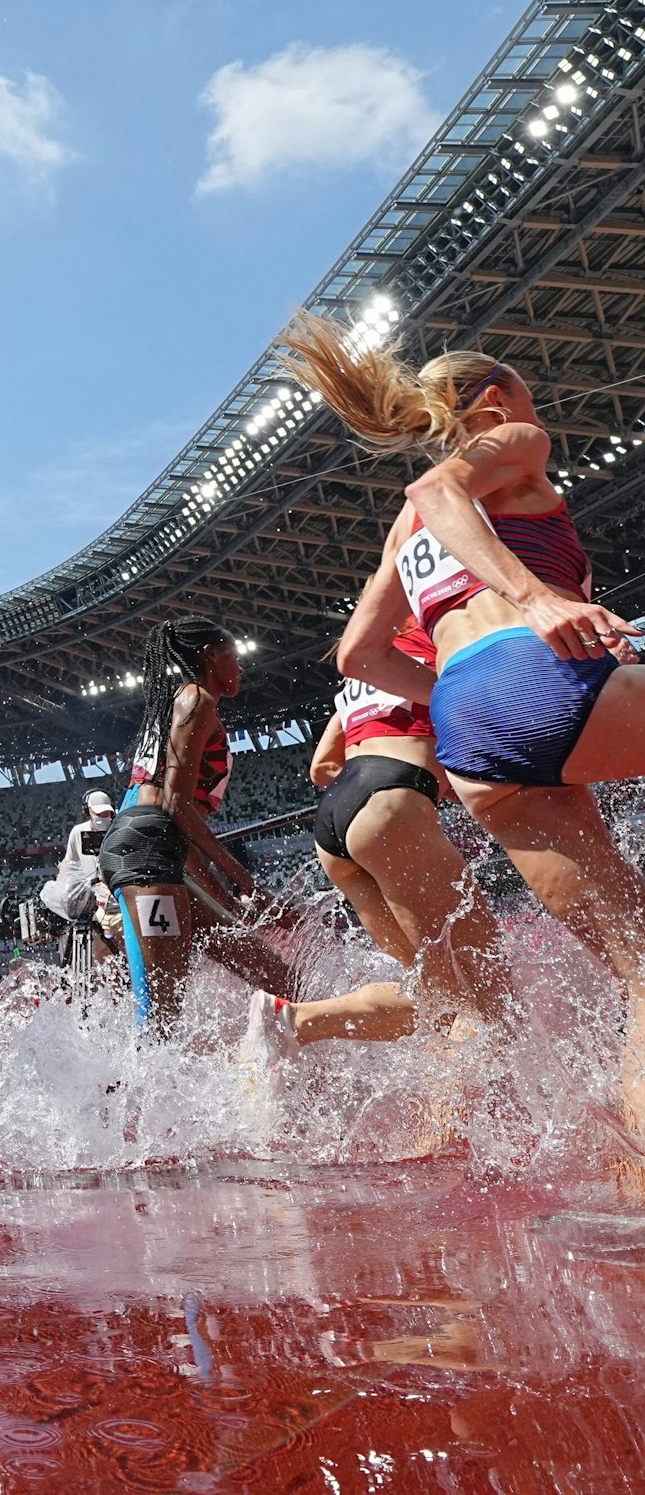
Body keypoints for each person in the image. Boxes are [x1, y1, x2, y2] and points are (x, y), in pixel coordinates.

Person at [281, 312, 645, 1150]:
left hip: (473, 729)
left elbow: (359, 653)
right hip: (529, 670)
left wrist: (463, 687)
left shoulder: (402, 542)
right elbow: (433, 488)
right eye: (527, 394)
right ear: (492, 402)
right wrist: (538, 599)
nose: (537, 410)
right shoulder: (510, 442)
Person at [240, 580, 510, 1077]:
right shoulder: (439, 636)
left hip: (338, 819)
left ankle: (293, 1021)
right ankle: (476, 1133)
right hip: (390, 802)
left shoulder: (362, 674)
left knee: (435, 995)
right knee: (490, 990)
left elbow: (323, 765)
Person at [97, 616, 299, 1034]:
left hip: (160, 854)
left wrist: (227, 899)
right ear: (210, 656)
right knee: (162, 1015)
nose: (240, 669)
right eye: (234, 658)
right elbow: (177, 806)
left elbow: (179, 832)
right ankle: (121, 1097)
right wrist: (246, 885)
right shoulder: (196, 699)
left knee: (272, 974)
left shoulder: (185, 703)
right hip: (145, 857)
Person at [40, 788, 116, 922]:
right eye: (99, 813)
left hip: (113, 890)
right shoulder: (78, 831)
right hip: (89, 892)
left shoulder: (118, 830)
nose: (103, 816)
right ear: (88, 811)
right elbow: (69, 861)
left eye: (106, 813)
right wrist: (60, 887)